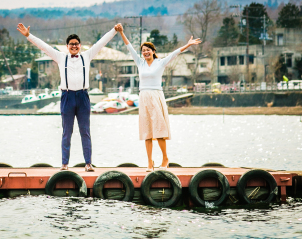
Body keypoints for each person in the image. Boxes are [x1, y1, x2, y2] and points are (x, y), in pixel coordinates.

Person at [17, 22, 118, 171]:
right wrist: (28, 36)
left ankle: (88, 163)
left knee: (85, 131)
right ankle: (65, 164)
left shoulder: (87, 55)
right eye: (71, 44)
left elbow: (101, 42)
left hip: (83, 97)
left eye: (76, 44)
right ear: (67, 46)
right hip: (67, 97)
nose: (74, 46)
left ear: (80, 45)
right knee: (67, 132)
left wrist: (114, 31)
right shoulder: (61, 57)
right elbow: (43, 46)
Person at [115, 23, 201, 171]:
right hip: (143, 97)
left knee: (159, 130)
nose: (145, 52)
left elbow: (175, 53)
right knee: (147, 131)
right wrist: (121, 33)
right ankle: (150, 162)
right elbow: (129, 47)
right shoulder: (140, 63)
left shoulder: (160, 63)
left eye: (148, 50)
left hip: (156, 96)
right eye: (143, 51)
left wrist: (187, 45)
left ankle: (165, 158)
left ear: (153, 51)